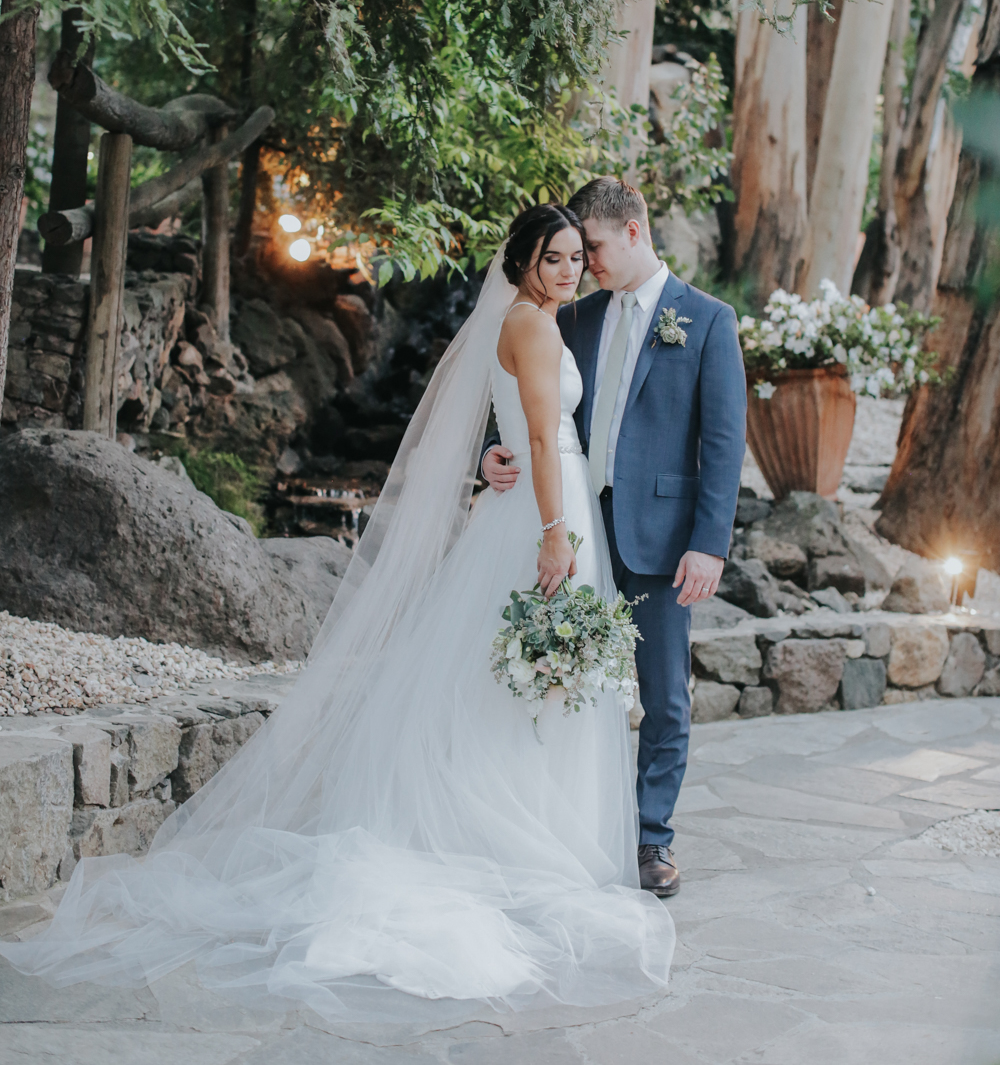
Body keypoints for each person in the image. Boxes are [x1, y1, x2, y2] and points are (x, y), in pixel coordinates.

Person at [1, 204, 674, 1032]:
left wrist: (505, 476)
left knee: (512, 680)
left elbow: (520, 427)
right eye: (555, 258)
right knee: (527, 681)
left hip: (538, 508)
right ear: (524, 263)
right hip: (547, 514)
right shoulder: (533, 326)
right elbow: (539, 439)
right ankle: (523, 842)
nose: (570, 271)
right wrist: (555, 534)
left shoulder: (526, 321)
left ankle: (533, 831)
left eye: (576, 257)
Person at [484, 178, 746, 899]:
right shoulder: (573, 315)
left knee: (664, 698)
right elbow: (533, 407)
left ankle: (652, 839)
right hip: (579, 530)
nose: (583, 263)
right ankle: (574, 828)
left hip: (662, 542)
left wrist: (710, 544)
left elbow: (724, 443)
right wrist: (491, 454)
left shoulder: (707, 320)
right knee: (568, 686)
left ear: (633, 231)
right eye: (571, 252)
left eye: (592, 247)